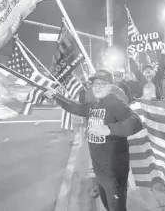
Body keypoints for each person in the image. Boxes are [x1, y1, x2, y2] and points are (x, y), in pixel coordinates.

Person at [45, 69, 143, 211]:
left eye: (102, 84)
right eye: (95, 84)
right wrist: (56, 96)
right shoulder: (94, 105)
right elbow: (76, 108)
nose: (97, 87)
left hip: (114, 172)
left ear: (110, 86)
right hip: (100, 171)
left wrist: (109, 129)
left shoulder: (114, 103)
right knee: (107, 205)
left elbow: (136, 122)